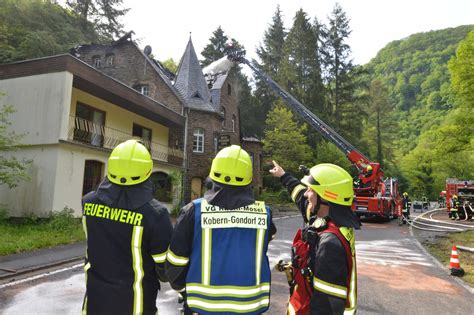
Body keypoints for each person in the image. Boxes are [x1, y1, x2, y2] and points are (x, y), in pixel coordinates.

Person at [166, 145, 276, 315]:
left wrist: (182, 289)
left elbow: (176, 261)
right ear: (249, 178)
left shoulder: (193, 211)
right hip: (249, 307)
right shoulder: (265, 213)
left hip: (201, 307)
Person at [81, 139, 173, 314]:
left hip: (94, 305)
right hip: (135, 307)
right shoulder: (156, 214)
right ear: (147, 170)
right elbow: (164, 269)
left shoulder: (88, 202)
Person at [270, 160, 360, 315]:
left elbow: (326, 306)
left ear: (326, 197)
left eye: (310, 190)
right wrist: (283, 175)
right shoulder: (328, 219)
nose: (306, 194)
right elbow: (300, 197)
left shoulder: (330, 244)